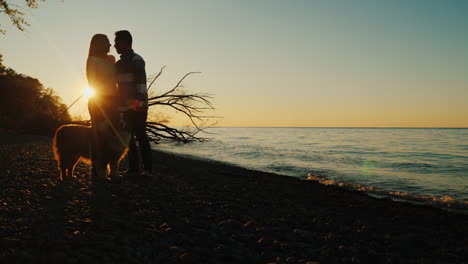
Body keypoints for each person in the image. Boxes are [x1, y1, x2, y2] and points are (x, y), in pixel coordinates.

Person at [114, 30, 153, 177]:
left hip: (138, 105)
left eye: (117, 42)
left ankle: (148, 170)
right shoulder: (118, 64)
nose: (115, 45)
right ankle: (133, 169)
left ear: (124, 43)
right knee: (128, 137)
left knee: (141, 135)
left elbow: (141, 83)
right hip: (123, 106)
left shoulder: (137, 60)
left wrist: (139, 104)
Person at [86, 34, 117, 177]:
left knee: (111, 136)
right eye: (107, 43)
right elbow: (91, 82)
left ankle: (112, 170)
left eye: (110, 43)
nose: (110, 46)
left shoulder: (111, 59)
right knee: (98, 136)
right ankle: (99, 169)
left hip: (113, 101)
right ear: (98, 45)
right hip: (98, 101)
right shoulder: (92, 60)